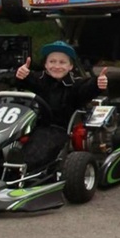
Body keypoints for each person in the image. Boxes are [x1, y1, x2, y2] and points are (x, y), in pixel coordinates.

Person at [14, 41, 108, 172]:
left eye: (62, 62)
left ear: (70, 66)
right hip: (34, 126)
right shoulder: (40, 79)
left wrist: (97, 84)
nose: (57, 66)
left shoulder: (75, 84)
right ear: (45, 65)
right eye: (52, 62)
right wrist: (21, 76)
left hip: (59, 129)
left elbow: (86, 88)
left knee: (38, 149)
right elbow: (25, 80)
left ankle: (24, 169)